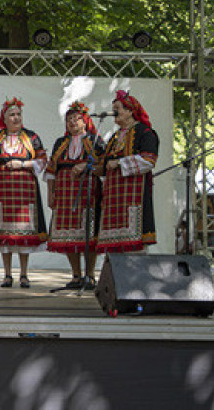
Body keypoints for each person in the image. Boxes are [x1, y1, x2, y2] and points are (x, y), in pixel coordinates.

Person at [0, 98, 47, 289]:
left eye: (18, 114)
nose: (16, 118)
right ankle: (6, 274)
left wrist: (22, 164)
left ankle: (23, 274)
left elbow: (43, 160)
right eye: (11, 114)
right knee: (5, 234)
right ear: (4, 117)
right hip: (2, 191)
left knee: (24, 233)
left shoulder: (31, 137)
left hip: (24, 190)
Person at [46, 101, 105, 289]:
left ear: (85, 121)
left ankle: (90, 275)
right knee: (68, 235)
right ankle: (76, 275)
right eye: (69, 119)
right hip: (64, 193)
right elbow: (51, 171)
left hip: (88, 192)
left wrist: (87, 168)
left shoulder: (95, 141)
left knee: (88, 232)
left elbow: (104, 167)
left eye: (76, 118)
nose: (72, 122)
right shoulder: (60, 143)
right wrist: (51, 193)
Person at [93, 90, 159, 255]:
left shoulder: (145, 133)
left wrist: (120, 163)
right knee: (114, 249)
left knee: (135, 249)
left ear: (130, 111)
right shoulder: (114, 137)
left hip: (133, 197)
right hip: (114, 198)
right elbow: (105, 165)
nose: (114, 112)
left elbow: (149, 161)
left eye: (118, 108)